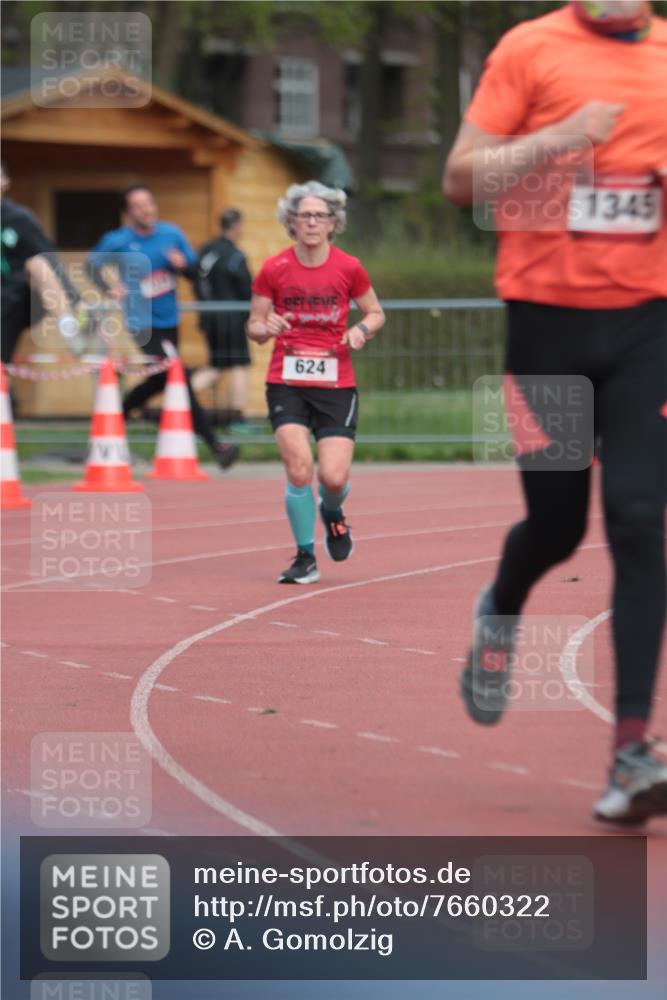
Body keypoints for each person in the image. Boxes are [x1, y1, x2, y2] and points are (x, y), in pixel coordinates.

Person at [444, 0, 667, 825]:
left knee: (641, 518)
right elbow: (459, 179)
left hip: (649, 324)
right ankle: (500, 605)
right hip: (546, 328)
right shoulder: (530, 47)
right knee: (557, 528)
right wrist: (560, 137)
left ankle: (630, 754)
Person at [247, 181, 385, 583]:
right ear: (291, 222)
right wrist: (263, 326)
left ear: (332, 224)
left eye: (319, 215)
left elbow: (375, 312)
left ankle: (333, 512)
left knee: (333, 478)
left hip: (336, 381)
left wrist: (362, 331)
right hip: (286, 379)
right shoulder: (274, 269)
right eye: (303, 215)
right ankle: (304, 557)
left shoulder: (348, 267)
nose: (311, 222)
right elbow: (254, 324)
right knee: (299, 467)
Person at [87, 184, 239, 470]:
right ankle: (216, 444)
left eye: (149, 203)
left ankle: (113, 417)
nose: (146, 209)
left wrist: (182, 266)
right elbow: (91, 266)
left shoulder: (172, 234)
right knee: (175, 374)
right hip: (141, 322)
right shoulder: (118, 240)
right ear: (128, 213)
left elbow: (196, 274)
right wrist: (110, 288)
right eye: (138, 206)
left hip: (170, 319)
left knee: (163, 378)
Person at [1, 163, 83, 366]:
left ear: (5, 182)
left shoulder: (19, 218)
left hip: (23, 298)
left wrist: (76, 299)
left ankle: (68, 326)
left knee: (37, 263)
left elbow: (50, 260)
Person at [190, 208, 253, 432]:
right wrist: (251, 315)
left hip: (209, 319)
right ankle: (237, 419)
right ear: (237, 227)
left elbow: (196, 280)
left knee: (216, 365)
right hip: (232, 319)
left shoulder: (207, 251)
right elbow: (247, 289)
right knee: (238, 365)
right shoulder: (236, 256)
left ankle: (180, 399)